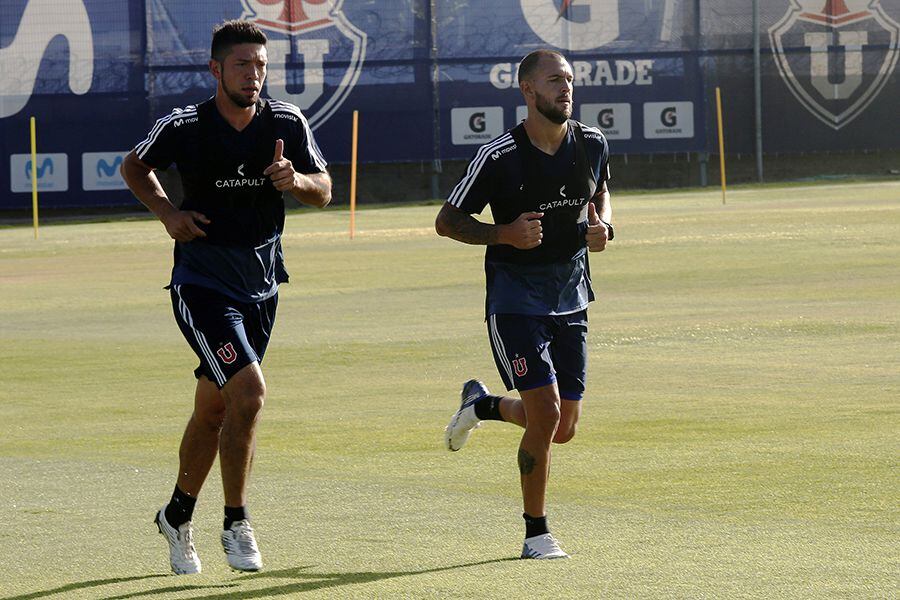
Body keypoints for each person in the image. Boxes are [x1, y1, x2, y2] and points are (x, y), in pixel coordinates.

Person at [121, 20, 331, 574]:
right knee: (250, 391)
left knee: (216, 409)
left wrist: (295, 181)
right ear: (215, 69)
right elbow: (134, 166)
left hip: (262, 285)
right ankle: (236, 521)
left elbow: (324, 191)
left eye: (261, 66)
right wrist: (168, 212)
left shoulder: (286, 121)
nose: (254, 76)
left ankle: (175, 514)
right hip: (202, 284)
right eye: (243, 65)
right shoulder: (184, 124)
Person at [435, 49, 613, 560]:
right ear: (528, 90)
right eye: (555, 80)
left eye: (571, 80)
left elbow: (600, 194)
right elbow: (447, 222)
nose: (566, 88)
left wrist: (603, 226)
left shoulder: (593, 143)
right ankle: (537, 532)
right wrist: (504, 234)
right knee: (547, 411)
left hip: (572, 295)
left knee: (562, 429)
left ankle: (482, 406)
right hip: (515, 299)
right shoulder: (499, 157)